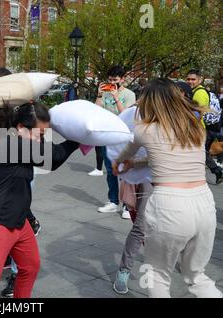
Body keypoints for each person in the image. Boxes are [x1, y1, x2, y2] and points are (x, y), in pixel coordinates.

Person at [114, 78, 222, 298]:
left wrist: (122, 164)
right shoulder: (194, 127)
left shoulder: (144, 130)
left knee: (158, 275)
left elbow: (122, 157)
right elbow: (169, 156)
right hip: (204, 204)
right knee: (197, 276)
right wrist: (138, 164)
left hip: (169, 205)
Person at [0, 102, 79, 298]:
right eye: (40, 135)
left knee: (30, 268)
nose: (41, 140)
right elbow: (54, 157)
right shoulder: (13, 144)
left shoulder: (15, 141)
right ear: (21, 127)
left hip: (18, 221)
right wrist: (76, 139)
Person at [95, 65, 136, 218]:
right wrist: (99, 95)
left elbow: (126, 114)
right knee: (110, 169)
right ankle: (113, 201)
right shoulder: (105, 93)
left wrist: (116, 98)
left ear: (123, 79)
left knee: (125, 169)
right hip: (108, 134)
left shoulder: (129, 94)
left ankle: (127, 204)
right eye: (110, 80)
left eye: (115, 80)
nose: (112, 82)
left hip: (124, 135)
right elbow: (97, 110)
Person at [186, 69, 223, 184]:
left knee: (199, 152)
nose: (190, 81)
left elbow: (197, 113)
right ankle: (216, 171)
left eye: (193, 79)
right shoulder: (195, 91)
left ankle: (216, 171)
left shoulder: (199, 93)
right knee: (201, 152)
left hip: (196, 128)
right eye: (188, 79)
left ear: (199, 79)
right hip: (197, 128)